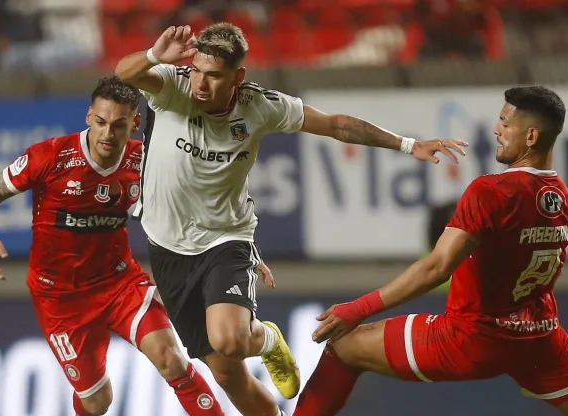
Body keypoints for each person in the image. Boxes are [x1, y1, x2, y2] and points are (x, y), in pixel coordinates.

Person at [115, 22, 467, 416]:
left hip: (225, 239)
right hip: (167, 245)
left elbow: (337, 125)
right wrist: (152, 56)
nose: (200, 83)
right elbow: (122, 74)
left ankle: (266, 340)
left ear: (238, 78)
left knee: (230, 340)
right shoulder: (172, 86)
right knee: (228, 375)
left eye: (214, 76)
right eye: (196, 70)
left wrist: (407, 144)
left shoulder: (260, 105)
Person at [293, 86, 568, 415]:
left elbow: (437, 267)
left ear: (531, 136)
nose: (495, 129)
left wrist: (359, 308)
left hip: (470, 339)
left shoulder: (489, 191)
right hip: (539, 338)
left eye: (505, 122)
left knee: (345, 347)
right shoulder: (562, 197)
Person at [0, 76, 224, 416]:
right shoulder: (50, 156)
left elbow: (202, 201)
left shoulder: (146, 162)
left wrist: (236, 246)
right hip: (61, 299)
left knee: (172, 360)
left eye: (119, 125)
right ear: (89, 116)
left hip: (119, 283)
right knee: (97, 402)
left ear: (135, 124)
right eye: (101, 122)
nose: (108, 134)